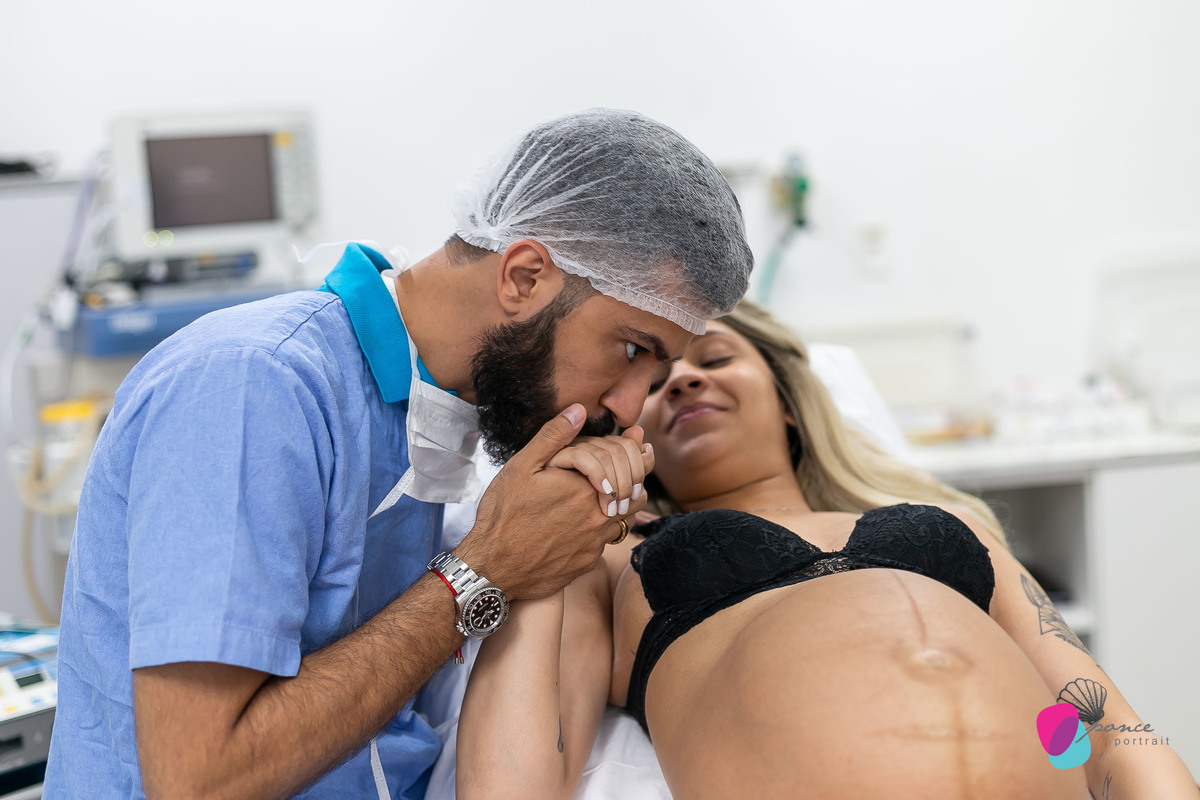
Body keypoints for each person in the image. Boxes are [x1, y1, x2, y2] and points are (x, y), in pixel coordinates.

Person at [43, 109, 754, 800]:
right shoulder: (253, 385)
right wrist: (485, 571)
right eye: (630, 350)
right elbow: (199, 780)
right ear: (524, 277)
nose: (630, 408)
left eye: (654, 374)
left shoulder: (433, 415)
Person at [457, 301, 1199, 800]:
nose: (683, 379)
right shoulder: (607, 562)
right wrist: (560, 513)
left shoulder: (954, 524)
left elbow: (1103, 727)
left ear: (786, 400)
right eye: (654, 380)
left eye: (715, 358)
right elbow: (515, 784)